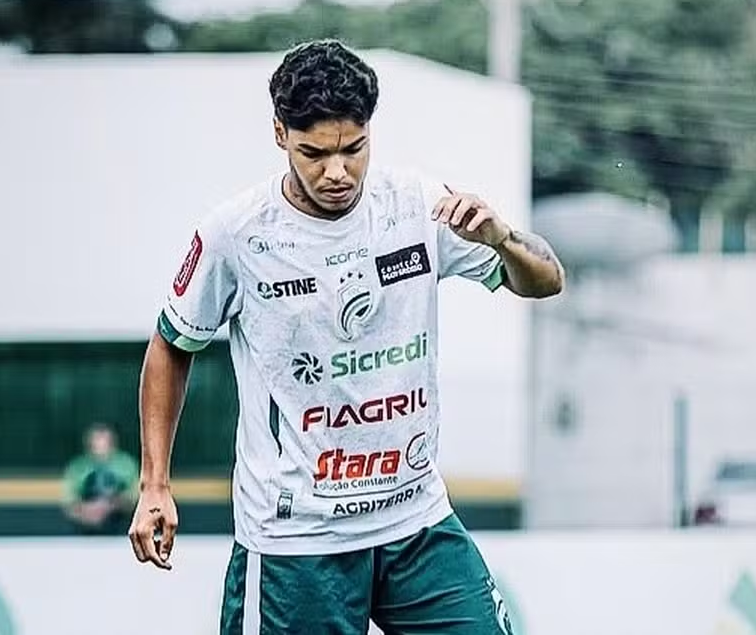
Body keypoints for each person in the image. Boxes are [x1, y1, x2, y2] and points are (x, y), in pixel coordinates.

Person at [128, 39, 564, 634]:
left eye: (353, 149)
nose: (337, 172)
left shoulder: (416, 206)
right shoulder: (237, 234)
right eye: (314, 154)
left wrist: (502, 239)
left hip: (415, 521)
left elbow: (546, 282)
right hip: (297, 542)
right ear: (280, 134)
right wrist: (155, 483)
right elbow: (171, 345)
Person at [62, 423, 139, 536]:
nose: (101, 447)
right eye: (97, 442)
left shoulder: (126, 465)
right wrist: (89, 511)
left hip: (122, 532)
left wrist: (110, 506)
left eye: (105, 442)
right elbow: (69, 503)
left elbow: (135, 497)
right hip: (84, 534)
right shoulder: (78, 468)